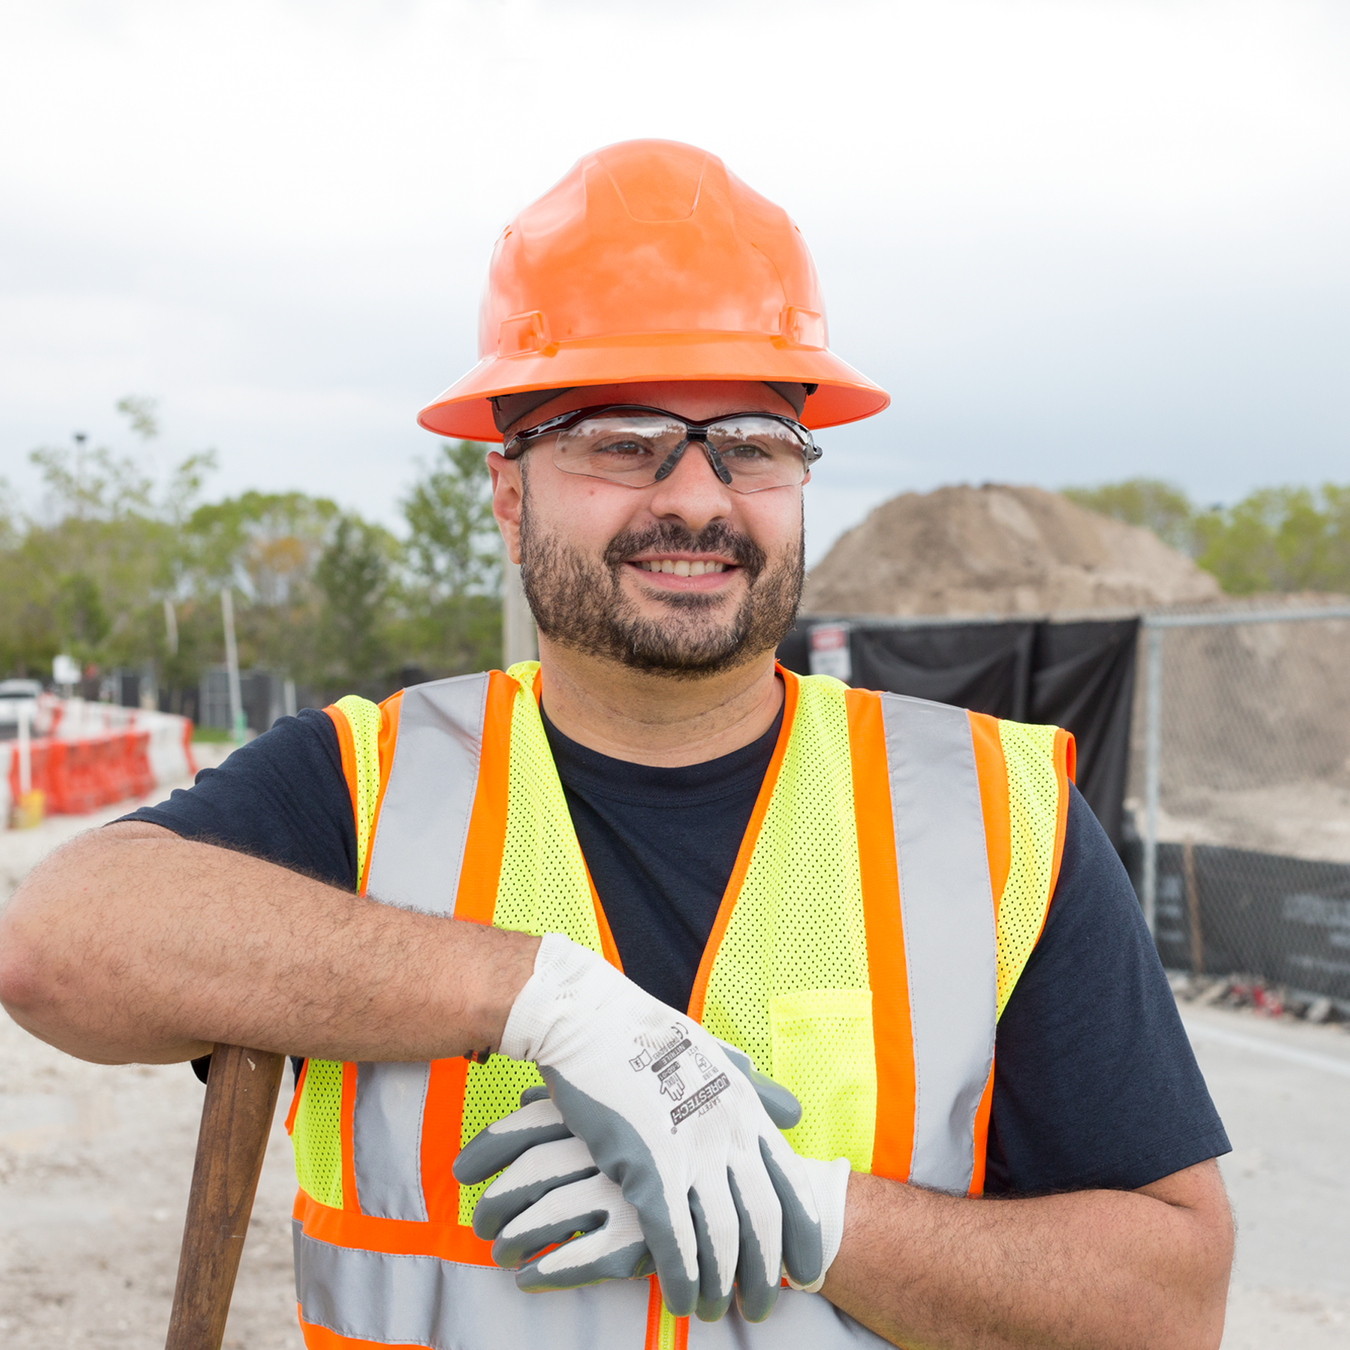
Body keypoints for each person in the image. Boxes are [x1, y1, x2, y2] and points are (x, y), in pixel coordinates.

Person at [0, 140, 1233, 1350]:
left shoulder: (988, 816)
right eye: (621, 440)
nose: (697, 496)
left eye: (752, 440)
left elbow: (1169, 1307)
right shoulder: (373, 786)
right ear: (508, 489)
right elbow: (56, 945)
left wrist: (811, 1210)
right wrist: (548, 1001)